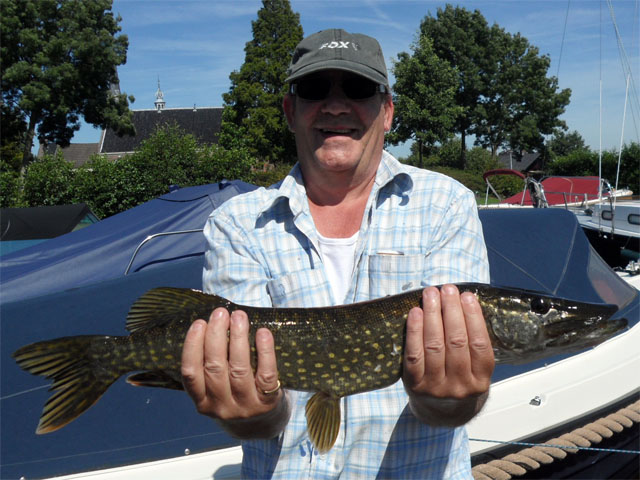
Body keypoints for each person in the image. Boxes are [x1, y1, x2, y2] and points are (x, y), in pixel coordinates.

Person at [181, 29, 494, 478]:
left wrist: (450, 398)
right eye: (314, 89)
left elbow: (449, 407)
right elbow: (259, 421)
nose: (335, 105)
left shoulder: (447, 205)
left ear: (387, 111)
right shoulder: (238, 224)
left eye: (358, 88)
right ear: (290, 111)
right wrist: (253, 412)